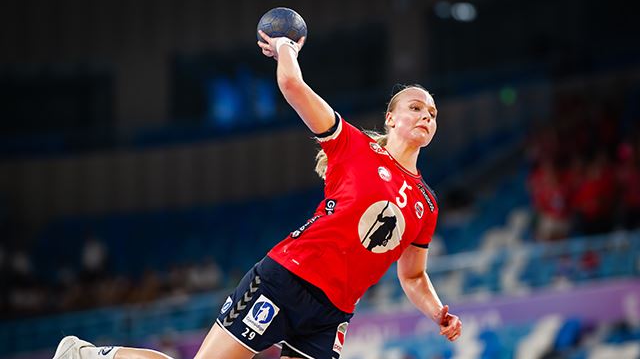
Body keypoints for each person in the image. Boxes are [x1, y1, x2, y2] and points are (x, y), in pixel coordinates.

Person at [53, 30, 462, 359]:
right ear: (390, 118)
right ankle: (89, 355)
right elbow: (291, 84)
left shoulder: (426, 203)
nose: (426, 115)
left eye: (432, 113)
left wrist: (438, 312)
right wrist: (285, 47)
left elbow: (412, 274)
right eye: (415, 107)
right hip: (286, 279)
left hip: (332, 314)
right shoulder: (352, 145)